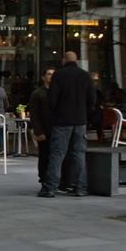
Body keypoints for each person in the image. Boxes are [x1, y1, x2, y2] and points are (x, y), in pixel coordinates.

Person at [40, 51, 95, 198]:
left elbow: (51, 99)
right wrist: (84, 113)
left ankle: (50, 188)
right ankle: (81, 188)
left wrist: (56, 112)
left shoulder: (59, 75)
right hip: (80, 120)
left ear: (64, 60)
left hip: (62, 120)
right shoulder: (85, 75)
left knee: (57, 154)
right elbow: (92, 99)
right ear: (76, 60)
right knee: (79, 154)